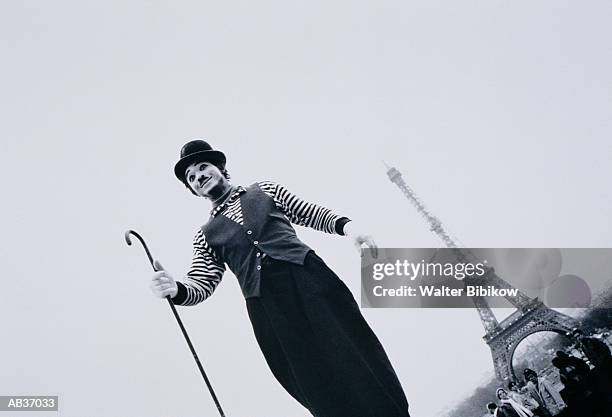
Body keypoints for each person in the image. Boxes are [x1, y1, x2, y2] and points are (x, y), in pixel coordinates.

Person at [149, 140, 411, 417]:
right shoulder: (205, 235)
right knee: (314, 381)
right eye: (191, 177)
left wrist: (348, 228)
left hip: (311, 281)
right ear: (192, 190)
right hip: (268, 308)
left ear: (220, 168)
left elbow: (309, 212)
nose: (198, 176)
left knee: (355, 353)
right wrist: (175, 289)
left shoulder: (265, 190)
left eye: (203, 167)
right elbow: (202, 282)